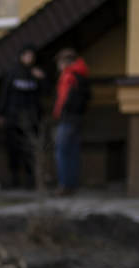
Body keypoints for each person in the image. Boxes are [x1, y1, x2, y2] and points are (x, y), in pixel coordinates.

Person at [0, 44, 47, 190]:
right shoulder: (12, 72)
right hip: (13, 118)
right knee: (12, 150)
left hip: (31, 119)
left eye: (31, 56)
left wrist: (42, 79)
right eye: (26, 55)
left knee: (30, 151)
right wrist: (1, 113)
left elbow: (46, 91)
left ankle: (31, 180)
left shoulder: (37, 73)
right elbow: (4, 93)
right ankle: (14, 178)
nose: (28, 59)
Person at [52, 47, 90, 196]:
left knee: (61, 152)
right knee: (73, 152)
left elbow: (63, 100)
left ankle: (63, 185)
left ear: (64, 63)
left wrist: (58, 115)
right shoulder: (82, 75)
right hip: (78, 119)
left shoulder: (68, 76)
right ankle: (72, 185)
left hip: (67, 119)